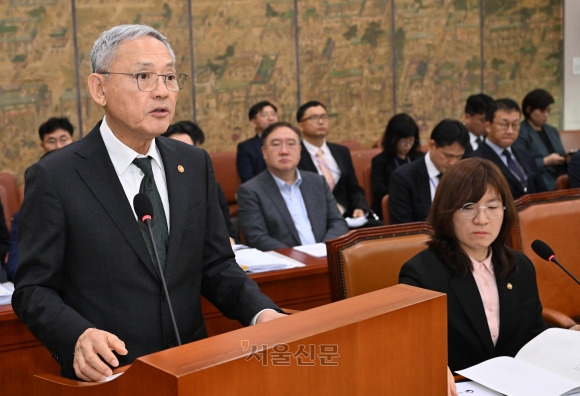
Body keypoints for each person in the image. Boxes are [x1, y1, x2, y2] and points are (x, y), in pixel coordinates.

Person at [12, 24, 284, 382]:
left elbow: (216, 264)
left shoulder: (193, 164)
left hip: (193, 370)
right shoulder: (56, 176)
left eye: (170, 77)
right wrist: (77, 336)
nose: (162, 92)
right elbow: (33, 289)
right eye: (143, 76)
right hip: (114, 378)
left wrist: (261, 313)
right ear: (100, 88)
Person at [399, 157, 550, 373]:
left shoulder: (521, 266)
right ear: (447, 211)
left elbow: (533, 333)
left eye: (492, 207)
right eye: (469, 207)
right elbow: (414, 350)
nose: (482, 219)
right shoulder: (420, 276)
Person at [237, 122, 348, 251]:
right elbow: (257, 238)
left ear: (300, 150)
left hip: (325, 259)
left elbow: (338, 222)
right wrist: (300, 258)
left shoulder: (318, 182)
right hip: (287, 265)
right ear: (264, 152)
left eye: (291, 144)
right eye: (276, 144)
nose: (284, 151)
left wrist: (325, 250)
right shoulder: (250, 191)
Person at [5, 117, 76, 281]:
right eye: (51, 141)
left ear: (73, 140)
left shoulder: (93, 190)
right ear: (42, 145)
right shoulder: (37, 182)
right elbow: (16, 268)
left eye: (63, 139)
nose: (58, 146)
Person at [296, 100, 381, 227]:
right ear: (300, 125)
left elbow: (354, 187)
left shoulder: (341, 152)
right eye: (313, 118)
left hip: (348, 216)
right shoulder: (296, 155)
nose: (320, 122)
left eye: (324, 117)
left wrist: (359, 207)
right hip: (316, 220)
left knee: (380, 229)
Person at [163, 120, 238, 244]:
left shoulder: (209, 186)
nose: (180, 156)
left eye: (186, 149)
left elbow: (228, 232)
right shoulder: (155, 187)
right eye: (175, 149)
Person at [389, 119, 469, 224]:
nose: (453, 163)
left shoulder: (464, 174)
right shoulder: (404, 178)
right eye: (448, 156)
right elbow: (404, 227)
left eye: (458, 157)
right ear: (432, 145)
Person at [473, 98, 547, 199]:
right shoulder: (475, 161)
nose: (510, 131)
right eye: (504, 124)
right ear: (488, 126)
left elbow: (543, 193)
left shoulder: (526, 155)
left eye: (515, 124)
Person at [370, 113, 424, 217]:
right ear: (393, 139)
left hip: (418, 207)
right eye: (403, 141)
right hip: (393, 208)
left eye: (411, 140)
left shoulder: (420, 158)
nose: (408, 145)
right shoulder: (380, 161)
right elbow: (379, 191)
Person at [513, 89, 567, 190]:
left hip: (563, 177)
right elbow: (521, 164)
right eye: (542, 111)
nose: (546, 115)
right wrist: (545, 161)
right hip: (541, 181)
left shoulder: (552, 130)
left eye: (548, 111)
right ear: (529, 109)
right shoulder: (520, 132)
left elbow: (561, 152)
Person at [236, 101, 279, 182]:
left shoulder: (290, 143)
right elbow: (248, 179)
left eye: (273, 114)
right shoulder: (246, 148)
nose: (271, 118)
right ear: (253, 123)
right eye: (264, 115)